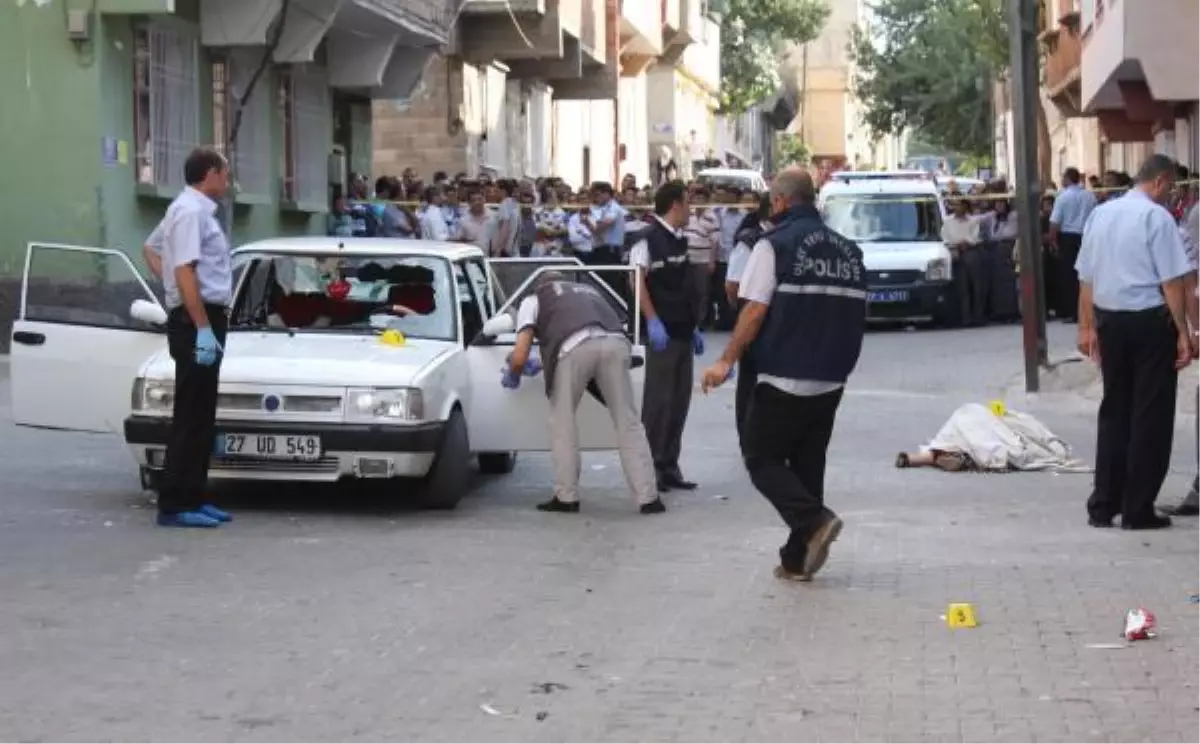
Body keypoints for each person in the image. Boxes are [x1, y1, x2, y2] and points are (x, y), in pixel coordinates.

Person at [700, 168, 866, 582]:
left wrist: (726, 362)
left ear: (778, 202)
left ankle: (814, 521)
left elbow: (753, 309)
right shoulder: (849, 251)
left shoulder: (773, 245)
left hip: (784, 373)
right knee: (808, 466)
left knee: (761, 458)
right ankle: (797, 560)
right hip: (833, 376)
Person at [1076, 154, 1195, 531]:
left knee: (1115, 412)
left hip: (1110, 321)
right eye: (1171, 187)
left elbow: (1086, 277)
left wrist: (1087, 326)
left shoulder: (1102, 213)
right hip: (1149, 324)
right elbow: (1172, 282)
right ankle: (1137, 508)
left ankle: (1103, 504)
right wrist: (1182, 332)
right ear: (1159, 182)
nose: (1172, 194)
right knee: (1150, 416)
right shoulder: (1156, 218)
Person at [503, 272, 663, 514]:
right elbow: (594, 329)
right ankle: (649, 498)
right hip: (616, 343)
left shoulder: (534, 300)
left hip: (573, 347)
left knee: (562, 423)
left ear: (539, 285)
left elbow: (520, 354)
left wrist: (515, 371)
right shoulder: (588, 291)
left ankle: (566, 497)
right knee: (628, 422)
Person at [146, 148, 235, 529]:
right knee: (190, 413)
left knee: (201, 412)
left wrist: (174, 288)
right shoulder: (191, 212)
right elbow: (184, 271)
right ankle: (175, 503)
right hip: (198, 318)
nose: (228, 182)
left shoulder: (190, 211)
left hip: (202, 315)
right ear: (210, 174)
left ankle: (195, 495)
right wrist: (196, 322)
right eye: (225, 174)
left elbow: (152, 248)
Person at [628, 180, 701, 492]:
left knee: (679, 402)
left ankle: (670, 466)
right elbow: (637, 282)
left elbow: (682, 287)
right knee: (658, 405)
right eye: (687, 203)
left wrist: (693, 325)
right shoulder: (647, 239)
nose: (691, 209)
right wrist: (652, 321)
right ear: (674, 205)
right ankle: (651, 469)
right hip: (662, 334)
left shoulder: (678, 240)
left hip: (681, 329)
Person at [1050, 167, 1097, 322]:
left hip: (1068, 238)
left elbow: (1055, 222)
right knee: (1085, 275)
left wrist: (1053, 240)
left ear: (1068, 178)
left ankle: (1073, 312)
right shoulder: (1089, 196)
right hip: (1086, 236)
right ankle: (1088, 310)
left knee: (1069, 276)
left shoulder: (1062, 197)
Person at [941, 197, 986, 326]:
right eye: (955, 205)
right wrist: (954, 247)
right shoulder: (948, 221)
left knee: (977, 286)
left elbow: (976, 237)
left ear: (966, 207)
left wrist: (966, 243)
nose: (957, 208)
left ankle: (978, 316)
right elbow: (945, 237)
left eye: (960, 205)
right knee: (962, 287)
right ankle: (964, 318)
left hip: (971, 251)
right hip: (954, 253)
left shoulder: (973, 221)